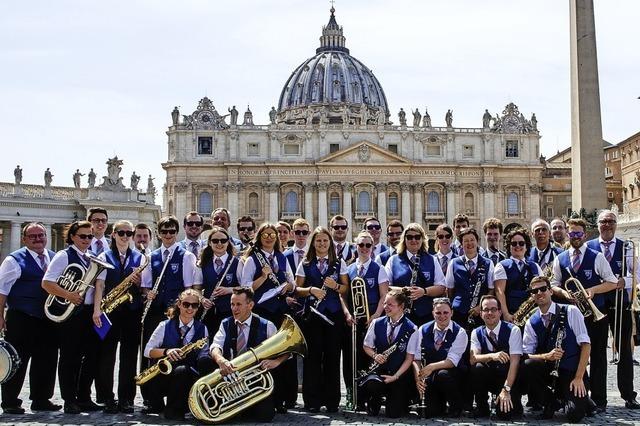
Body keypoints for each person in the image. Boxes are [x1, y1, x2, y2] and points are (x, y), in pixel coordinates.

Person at [550, 217, 617, 413]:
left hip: (595, 314)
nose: (575, 237)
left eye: (578, 233)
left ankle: (599, 399)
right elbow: (554, 283)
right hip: (571, 317)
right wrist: (563, 293)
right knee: (572, 356)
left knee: (597, 356)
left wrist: (593, 290)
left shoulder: (596, 256)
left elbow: (612, 282)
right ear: (568, 235)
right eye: (572, 233)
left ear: (585, 235)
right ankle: (577, 396)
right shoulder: (560, 258)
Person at [203, 287, 289, 422]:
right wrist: (221, 360)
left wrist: (276, 362)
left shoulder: (267, 325)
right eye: (232, 304)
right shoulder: (225, 323)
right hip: (230, 377)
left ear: (250, 305)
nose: (234, 308)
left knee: (264, 416)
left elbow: (286, 352)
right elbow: (215, 347)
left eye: (238, 304)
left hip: (255, 378)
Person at [140, 216, 199, 409]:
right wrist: (148, 293)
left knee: (178, 351)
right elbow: (145, 286)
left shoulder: (187, 256)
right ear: (158, 233)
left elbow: (188, 287)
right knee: (151, 353)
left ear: (177, 233)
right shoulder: (150, 257)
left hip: (176, 312)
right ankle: (151, 397)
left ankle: (179, 395)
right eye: (164, 231)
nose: (168, 235)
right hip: (155, 311)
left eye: (172, 231)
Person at [41, 221, 100, 414]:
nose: (86, 240)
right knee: (70, 357)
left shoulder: (91, 257)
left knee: (91, 356)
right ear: (72, 236)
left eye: (90, 236)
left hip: (89, 312)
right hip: (71, 314)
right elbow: (47, 283)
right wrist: (69, 295)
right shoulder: (63, 256)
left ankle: (84, 396)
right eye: (82, 236)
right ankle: (69, 399)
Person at [0, 223, 59, 414]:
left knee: (47, 360)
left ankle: (41, 399)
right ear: (24, 239)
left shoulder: (54, 256)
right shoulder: (13, 260)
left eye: (41, 235)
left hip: (48, 318)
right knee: (17, 360)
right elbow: (1, 291)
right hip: (22, 317)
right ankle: (9, 401)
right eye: (32, 236)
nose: (38, 239)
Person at [585, 210, 640, 409]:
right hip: (597, 304)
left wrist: (624, 282)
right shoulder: (588, 247)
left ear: (616, 224)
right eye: (603, 222)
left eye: (610, 221)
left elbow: (638, 274)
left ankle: (628, 394)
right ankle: (599, 398)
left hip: (621, 303)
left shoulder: (626, 246)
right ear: (598, 225)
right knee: (598, 351)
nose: (607, 225)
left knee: (625, 349)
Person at [241, 223, 295, 413]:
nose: (270, 237)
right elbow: (245, 287)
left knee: (279, 354)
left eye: (273, 234)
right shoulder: (251, 259)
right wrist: (263, 277)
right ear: (259, 237)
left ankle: (280, 398)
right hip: (260, 311)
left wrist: (289, 286)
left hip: (278, 310)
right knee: (260, 354)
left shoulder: (281, 256)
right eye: (266, 234)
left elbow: (292, 281)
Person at [92, 220, 144, 414]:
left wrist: (139, 284)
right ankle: (107, 398)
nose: (125, 237)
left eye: (128, 233)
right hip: (109, 311)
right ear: (113, 234)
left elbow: (143, 288)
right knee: (106, 356)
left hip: (131, 311)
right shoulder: (104, 255)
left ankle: (126, 399)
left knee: (129, 358)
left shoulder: (139, 257)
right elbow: (99, 285)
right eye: (121, 233)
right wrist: (97, 310)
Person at [295, 226, 349, 413]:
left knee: (333, 357)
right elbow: (297, 290)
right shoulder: (305, 264)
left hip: (333, 315)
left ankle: (332, 401)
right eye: (318, 241)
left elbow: (345, 288)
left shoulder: (339, 263)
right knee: (313, 357)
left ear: (330, 243)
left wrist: (335, 286)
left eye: (325, 241)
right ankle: (312, 401)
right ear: (314, 243)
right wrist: (311, 290)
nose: (322, 244)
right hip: (312, 316)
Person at [522, 276, 590, 422]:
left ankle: (578, 400)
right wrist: (547, 356)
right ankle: (550, 402)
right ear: (532, 295)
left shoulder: (571, 311)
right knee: (528, 366)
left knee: (575, 415)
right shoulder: (531, 322)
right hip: (550, 371)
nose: (539, 293)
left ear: (551, 291)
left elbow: (586, 345)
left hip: (571, 372)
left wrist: (579, 378)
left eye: (543, 289)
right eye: (535, 291)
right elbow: (526, 354)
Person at [143, 289, 209, 420]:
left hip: (187, 378)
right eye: (186, 304)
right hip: (163, 377)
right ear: (179, 304)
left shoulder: (202, 328)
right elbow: (147, 351)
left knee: (183, 371)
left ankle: (177, 409)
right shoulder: (164, 325)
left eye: (194, 305)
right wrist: (167, 351)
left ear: (198, 308)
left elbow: (204, 355)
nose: (190, 308)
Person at [342, 231, 390, 409]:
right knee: (350, 359)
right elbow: (344, 295)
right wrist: (347, 313)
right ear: (356, 246)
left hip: (372, 319)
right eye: (360, 245)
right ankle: (352, 394)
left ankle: (370, 395)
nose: (364, 248)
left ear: (372, 247)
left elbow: (384, 295)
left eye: (367, 245)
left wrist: (376, 316)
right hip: (353, 319)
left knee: (369, 357)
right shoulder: (348, 268)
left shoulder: (379, 268)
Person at [407, 297, 468, 418]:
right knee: (430, 412)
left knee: (443, 374)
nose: (442, 316)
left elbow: (452, 361)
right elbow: (416, 357)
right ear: (432, 313)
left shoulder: (460, 332)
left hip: (452, 374)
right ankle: (438, 403)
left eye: (445, 312)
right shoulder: (423, 329)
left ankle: (456, 405)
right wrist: (418, 378)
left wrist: (431, 367)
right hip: (430, 376)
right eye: (438, 313)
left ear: (452, 312)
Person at [361, 290, 417, 417]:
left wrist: (395, 376)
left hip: (398, 373)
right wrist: (375, 356)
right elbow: (366, 346)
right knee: (372, 384)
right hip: (379, 370)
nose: (385, 307)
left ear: (401, 306)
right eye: (385, 303)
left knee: (394, 414)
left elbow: (409, 358)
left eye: (390, 304)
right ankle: (374, 398)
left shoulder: (412, 328)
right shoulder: (376, 323)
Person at [469, 295, 523, 419]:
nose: (490, 313)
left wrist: (506, 389)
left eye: (493, 309)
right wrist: (493, 356)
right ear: (481, 313)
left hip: (507, 379)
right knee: (477, 367)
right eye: (486, 310)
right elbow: (473, 358)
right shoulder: (476, 332)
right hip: (488, 377)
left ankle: (515, 400)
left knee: (506, 416)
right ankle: (482, 406)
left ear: (500, 312)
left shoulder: (513, 330)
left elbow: (515, 362)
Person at [386, 223, 446, 326]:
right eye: (409, 237)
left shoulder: (432, 260)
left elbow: (441, 287)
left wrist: (424, 291)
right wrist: (403, 291)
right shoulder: (393, 260)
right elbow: (385, 287)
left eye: (417, 237)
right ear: (404, 240)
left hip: (425, 316)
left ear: (422, 239)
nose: (413, 240)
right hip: (400, 314)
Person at [194, 227, 243, 336]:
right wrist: (202, 299)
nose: (219, 243)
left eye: (223, 240)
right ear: (210, 243)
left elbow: (244, 287)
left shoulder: (236, 262)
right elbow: (196, 288)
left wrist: (229, 290)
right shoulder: (202, 263)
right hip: (208, 311)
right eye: (215, 241)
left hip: (230, 310)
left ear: (228, 242)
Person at [445, 227, 495, 330]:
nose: (469, 243)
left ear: (477, 242)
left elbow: (491, 289)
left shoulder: (488, 263)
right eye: (466, 241)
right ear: (461, 244)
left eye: (472, 240)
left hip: (480, 313)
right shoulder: (453, 263)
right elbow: (450, 290)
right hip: (459, 313)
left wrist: (480, 307)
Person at [494, 228, 542, 324]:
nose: (517, 246)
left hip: (534, 314)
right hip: (512, 315)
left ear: (526, 246)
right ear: (509, 246)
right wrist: (506, 314)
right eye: (514, 244)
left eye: (521, 243)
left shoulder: (535, 266)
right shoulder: (502, 265)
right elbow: (499, 292)